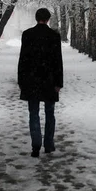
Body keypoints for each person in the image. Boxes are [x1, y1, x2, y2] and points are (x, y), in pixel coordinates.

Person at [18, 8, 63, 158]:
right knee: (50, 113)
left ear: (36, 18)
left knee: (33, 113)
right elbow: (58, 61)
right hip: (49, 80)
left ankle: (36, 145)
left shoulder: (27, 35)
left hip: (32, 80)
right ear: (48, 19)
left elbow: (23, 59)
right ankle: (48, 144)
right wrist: (58, 83)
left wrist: (21, 80)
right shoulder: (54, 36)